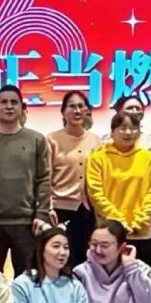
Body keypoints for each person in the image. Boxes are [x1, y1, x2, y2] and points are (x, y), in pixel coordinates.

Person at [0, 85, 54, 274]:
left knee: (27, 279)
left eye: (14, 102)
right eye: (4, 102)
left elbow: (44, 179)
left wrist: (41, 214)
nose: (9, 106)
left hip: (27, 223)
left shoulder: (36, 139)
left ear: (22, 107)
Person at [86, 109, 151, 253]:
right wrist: (118, 222)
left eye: (133, 128)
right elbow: (95, 193)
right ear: (112, 132)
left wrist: (139, 220)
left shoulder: (150, 158)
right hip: (108, 231)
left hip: (141, 230)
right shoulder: (98, 158)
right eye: (123, 128)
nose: (128, 132)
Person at [46, 91, 102, 265]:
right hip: (59, 208)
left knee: (83, 257)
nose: (77, 110)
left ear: (87, 110)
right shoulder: (52, 140)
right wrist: (48, 206)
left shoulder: (96, 141)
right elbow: (45, 176)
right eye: (71, 106)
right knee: (59, 257)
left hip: (87, 208)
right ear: (63, 112)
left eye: (80, 106)